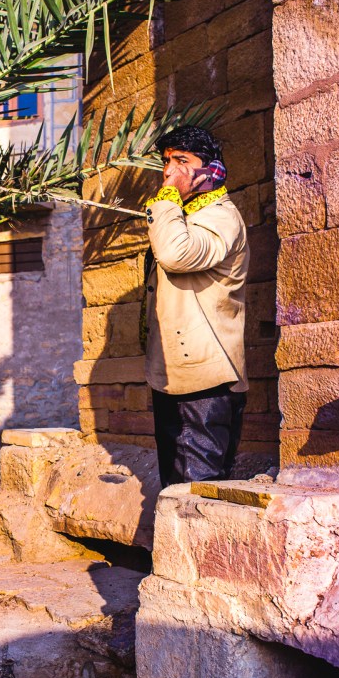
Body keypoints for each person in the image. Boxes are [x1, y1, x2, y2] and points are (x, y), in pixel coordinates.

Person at [141, 125, 248, 488]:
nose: (169, 171)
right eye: (166, 161)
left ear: (208, 169)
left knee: (196, 493)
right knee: (175, 487)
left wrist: (168, 199)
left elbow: (175, 254)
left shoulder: (221, 217)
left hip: (206, 381)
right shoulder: (184, 216)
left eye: (181, 161)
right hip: (175, 375)